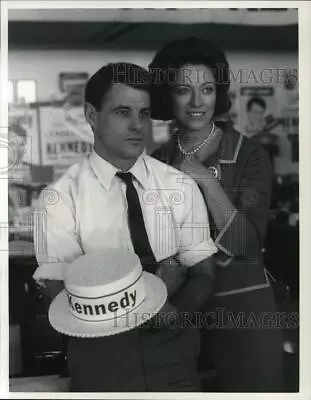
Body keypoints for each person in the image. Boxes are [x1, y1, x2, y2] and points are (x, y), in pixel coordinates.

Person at [33, 62, 218, 392]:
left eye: (144, 113)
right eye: (122, 112)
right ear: (92, 115)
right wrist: (147, 297)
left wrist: (175, 310)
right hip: (101, 357)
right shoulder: (59, 198)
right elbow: (57, 295)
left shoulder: (180, 186)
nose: (137, 126)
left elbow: (203, 271)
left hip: (174, 351)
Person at [149, 36, 283, 392]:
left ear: (218, 92)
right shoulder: (155, 162)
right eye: (183, 91)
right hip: (180, 315)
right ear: (167, 94)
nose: (197, 102)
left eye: (207, 89)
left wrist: (206, 182)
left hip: (243, 312)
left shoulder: (250, 155)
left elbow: (247, 244)